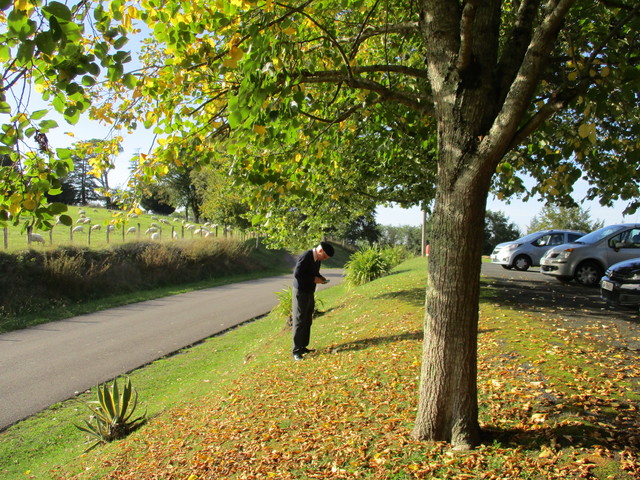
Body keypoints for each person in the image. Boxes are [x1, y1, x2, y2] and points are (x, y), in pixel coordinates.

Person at [291, 241, 335, 360]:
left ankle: (303, 346)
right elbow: (298, 274)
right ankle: (296, 351)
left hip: (310, 291)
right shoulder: (306, 256)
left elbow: (313, 273)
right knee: (300, 320)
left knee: (307, 319)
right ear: (320, 251)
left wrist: (320, 277)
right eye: (325, 256)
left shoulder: (318, 259)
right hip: (300, 292)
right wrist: (314, 279)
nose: (324, 259)